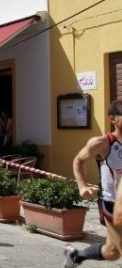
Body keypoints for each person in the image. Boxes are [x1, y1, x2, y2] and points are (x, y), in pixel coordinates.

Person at [64, 99, 122, 267]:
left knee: (111, 253)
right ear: (113, 119)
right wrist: (82, 186)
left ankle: (75, 256)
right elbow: (78, 161)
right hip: (111, 205)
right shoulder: (102, 143)